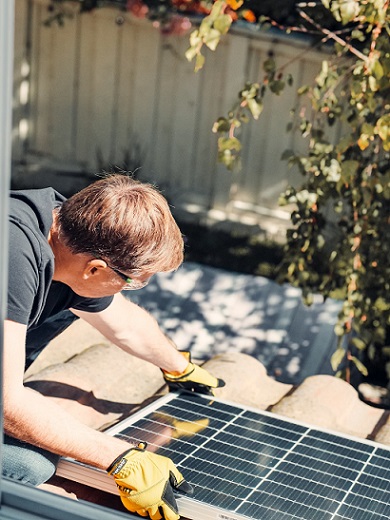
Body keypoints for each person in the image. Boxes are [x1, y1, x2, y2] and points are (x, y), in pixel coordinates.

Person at [3, 173, 224, 520]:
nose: (128, 290)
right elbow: (7, 403)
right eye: (133, 282)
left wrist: (178, 366)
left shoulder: (67, 229)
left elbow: (124, 324)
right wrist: (119, 457)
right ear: (95, 269)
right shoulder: (11, 260)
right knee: (29, 464)